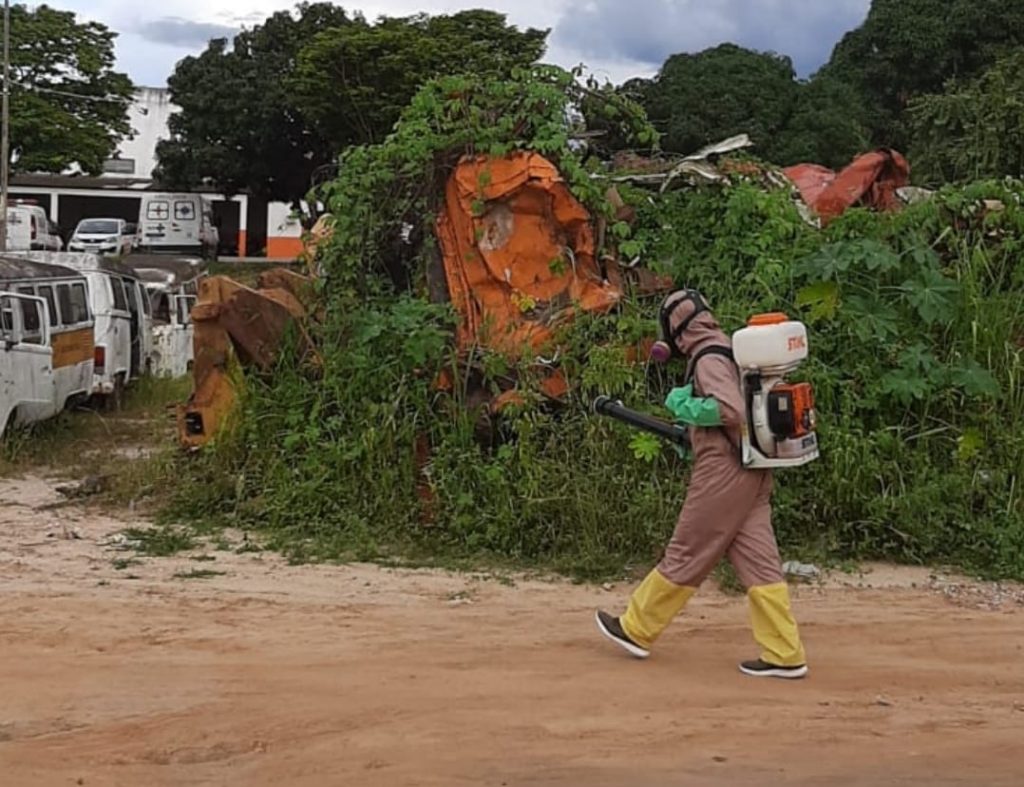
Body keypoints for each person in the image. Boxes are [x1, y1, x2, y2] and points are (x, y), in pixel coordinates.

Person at [595, 289, 808, 679]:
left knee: (687, 549)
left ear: (676, 331)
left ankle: (636, 628)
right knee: (758, 560)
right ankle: (784, 652)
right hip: (755, 466)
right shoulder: (730, 348)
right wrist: (694, 432)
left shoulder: (707, 358)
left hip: (725, 471)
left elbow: (730, 409)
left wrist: (684, 406)